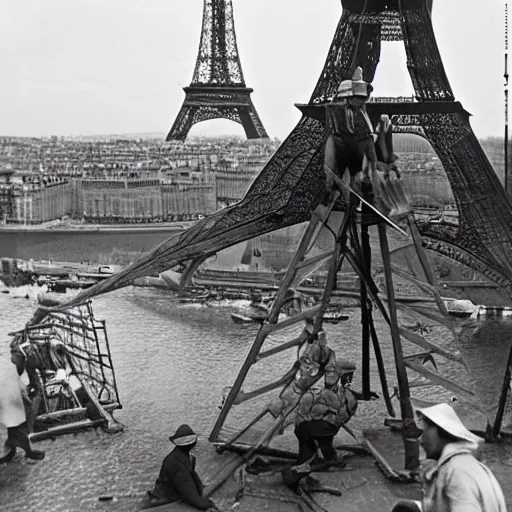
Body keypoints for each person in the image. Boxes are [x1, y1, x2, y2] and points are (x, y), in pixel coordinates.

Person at [391, 403, 507, 512]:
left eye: (425, 431)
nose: (421, 440)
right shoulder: (464, 464)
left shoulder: (457, 471)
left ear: (441, 431)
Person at [323, 66, 377, 197]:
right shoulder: (352, 110)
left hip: (359, 136)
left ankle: (360, 183)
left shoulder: (357, 111)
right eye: (357, 99)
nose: (361, 101)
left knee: (367, 159)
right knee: (360, 160)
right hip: (356, 137)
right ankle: (356, 183)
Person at [139, 424, 220, 511]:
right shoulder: (178, 467)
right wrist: (210, 504)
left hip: (174, 487)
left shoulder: (189, 458)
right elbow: (196, 501)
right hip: (164, 499)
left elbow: (192, 475)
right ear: (193, 444)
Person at [0, 347, 45, 463]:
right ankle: (25, 450)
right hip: (11, 405)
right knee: (16, 427)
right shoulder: (8, 368)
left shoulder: (8, 368)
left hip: (10, 405)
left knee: (14, 427)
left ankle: (18, 448)